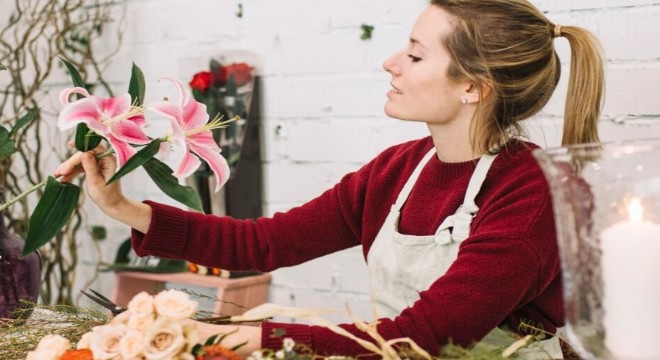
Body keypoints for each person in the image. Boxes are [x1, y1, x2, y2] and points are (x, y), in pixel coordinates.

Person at [56, 0, 605, 358]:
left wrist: (235, 337)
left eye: (414, 55)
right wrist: (123, 207)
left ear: (474, 88)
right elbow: (262, 243)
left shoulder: (533, 193)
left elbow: (424, 338)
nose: (391, 63)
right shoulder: (399, 170)